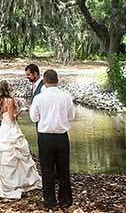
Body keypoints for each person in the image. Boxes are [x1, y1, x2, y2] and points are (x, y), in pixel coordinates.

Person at [29, 69, 75, 211]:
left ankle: (49, 201)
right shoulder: (66, 97)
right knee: (63, 169)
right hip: (62, 137)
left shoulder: (39, 98)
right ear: (57, 81)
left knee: (47, 169)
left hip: (45, 137)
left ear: (45, 81)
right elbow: (71, 116)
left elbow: (33, 118)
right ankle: (65, 200)